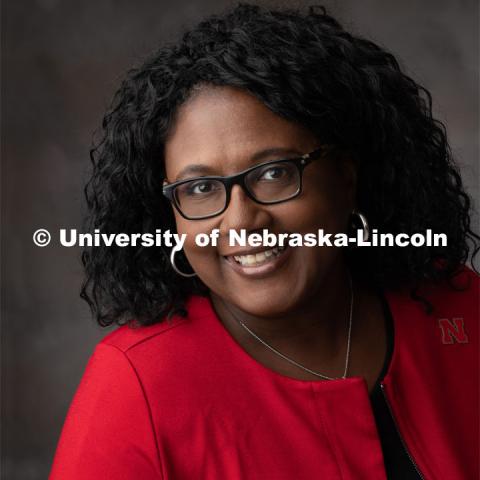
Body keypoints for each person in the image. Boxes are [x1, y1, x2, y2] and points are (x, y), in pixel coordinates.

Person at [49, 4, 479, 479]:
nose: (241, 220)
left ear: (346, 176)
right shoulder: (135, 387)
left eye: (275, 173)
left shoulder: (459, 310)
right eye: (200, 188)